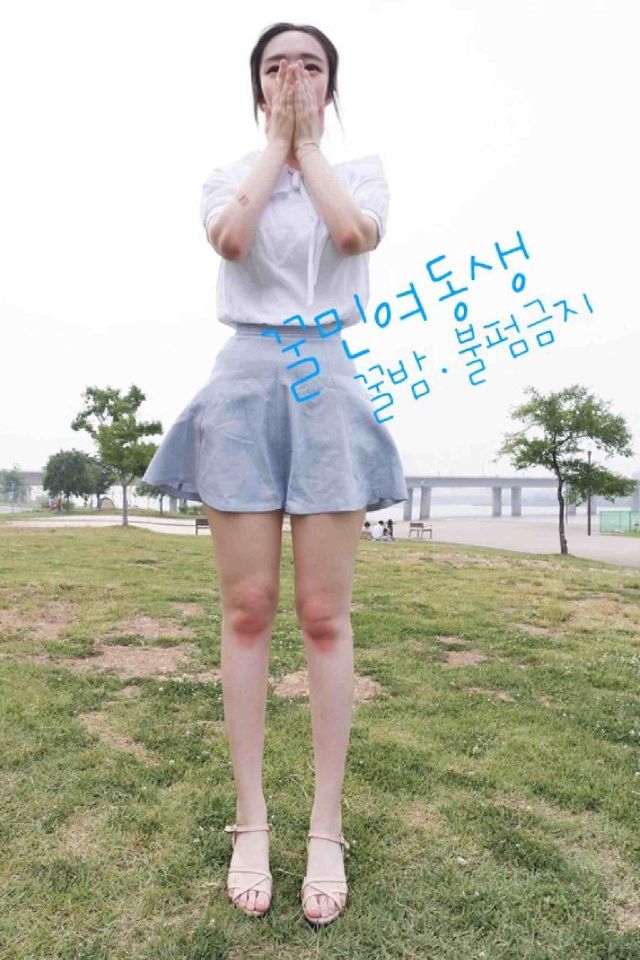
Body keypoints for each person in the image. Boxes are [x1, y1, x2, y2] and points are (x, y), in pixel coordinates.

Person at [141, 21, 408, 925]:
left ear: (332, 86)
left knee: (324, 615)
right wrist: (273, 150)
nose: (293, 75)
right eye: (275, 66)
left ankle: (326, 826)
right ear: (257, 86)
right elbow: (229, 241)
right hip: (247, 377)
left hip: (325, 374)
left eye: (311, 65)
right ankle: (250, 820)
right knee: (248, 608)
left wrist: (309, 149)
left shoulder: (362, 171)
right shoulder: (227, 175)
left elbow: (352, 233)